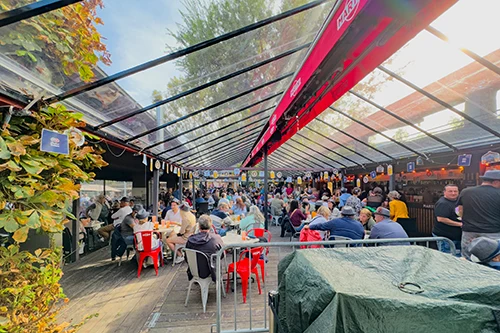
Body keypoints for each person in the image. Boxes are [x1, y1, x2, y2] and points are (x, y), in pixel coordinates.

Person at [457, 170, 500, 260]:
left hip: (469, 232)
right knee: (493, 260)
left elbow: (459, 209)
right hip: (493, 233)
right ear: (496, 181)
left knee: (467, 259)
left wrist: (465, 220)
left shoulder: (466, 192)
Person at [185, 215, 225, 281]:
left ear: (199, 226)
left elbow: (187, 257)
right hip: (212, 270)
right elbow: (222, 254)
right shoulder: (216, 238)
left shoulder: (191, 239)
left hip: (194, 270)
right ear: (211, 225)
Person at [432, 184, 462, 255]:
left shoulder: (458, 201)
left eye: (455, 191)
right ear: (444, 192)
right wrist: (460, 224)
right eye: (450, 191)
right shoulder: (442, 203)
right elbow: (441, 219)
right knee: (447, 258)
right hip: (445, 237)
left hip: (457, 236)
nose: (453, 193)